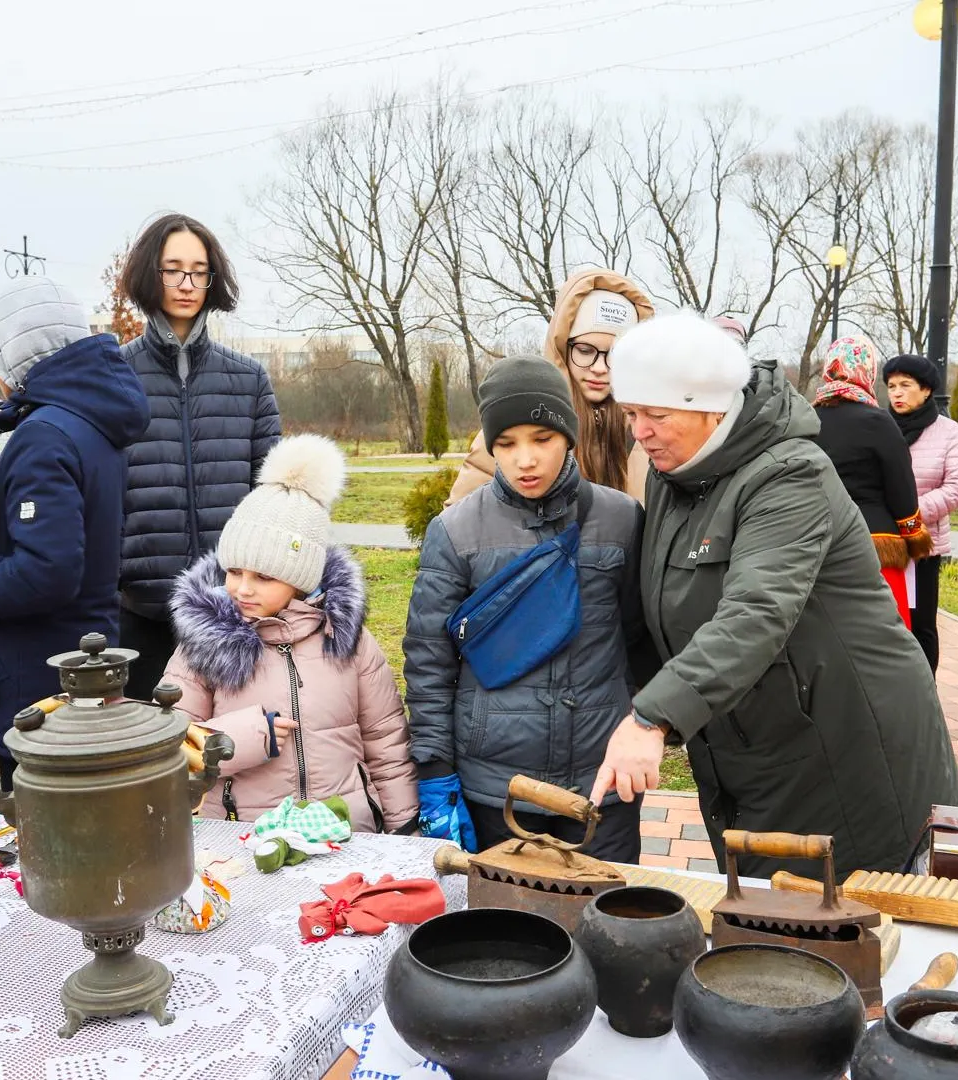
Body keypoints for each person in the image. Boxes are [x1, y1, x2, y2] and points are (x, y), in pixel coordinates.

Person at [589, 313, 958, 882]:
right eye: (631, 414)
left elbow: (757, 611)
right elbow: (659, 601)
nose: (639, 431)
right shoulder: (674, 475)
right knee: (771, 925)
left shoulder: (790, 475)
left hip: (844, 745)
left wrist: (653, 718)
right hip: (759, 747)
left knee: (849, 933)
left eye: (656, 415)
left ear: (712, 406)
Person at [405, 355, 652, 862]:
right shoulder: (455, 532)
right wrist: (434, 771)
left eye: (541, 439)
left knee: (608, 923)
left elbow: (640, 640)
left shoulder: (622, 518)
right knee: (503, 930)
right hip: (496, 786)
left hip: (600, 778)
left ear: (568, 435)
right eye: (506, 443)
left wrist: (641, 723)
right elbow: (428, 660)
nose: (525, 460)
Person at [0, 278, 150, 779]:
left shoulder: (46, 435)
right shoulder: (93, 421)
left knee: (43, 816)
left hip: (40, 671)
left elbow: (45, 572)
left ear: (17, 357)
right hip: (86, 652)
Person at [159, 435, 417, 833]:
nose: (243, 588)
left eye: (263, 576)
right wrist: (248, 736)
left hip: (346, 835)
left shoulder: (348, 641)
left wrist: (403, 829)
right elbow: (172, 749)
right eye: (234, 571)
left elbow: (386, 743)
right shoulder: (204, 643)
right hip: (243, 840)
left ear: (302, 579)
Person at [117, 213, 281, 699]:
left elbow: (272, 501)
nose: (187, 284)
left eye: (199, 270)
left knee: (230, 756)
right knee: (146, 760)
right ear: (151, 273)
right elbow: (97, 496)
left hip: (233, 614)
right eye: (172, 269)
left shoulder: (249, 382)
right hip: (139, 613)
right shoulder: (114, 379)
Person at [448, 269, 655, 505]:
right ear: (563, 347)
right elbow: (459, 525)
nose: (599, 367)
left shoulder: (650, 429)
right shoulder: (517, 417)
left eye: (615, 355)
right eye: (585, 351)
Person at [811, 335, 933, 629]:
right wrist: (915, 536)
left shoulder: (808, 419)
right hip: (876, 545)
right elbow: (901, 489)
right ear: (868, 371)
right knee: (882, 634)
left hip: (817, 541)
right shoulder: (878, 421)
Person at [885, 353, 958, 671]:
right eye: (892, 385)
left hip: (923, 546)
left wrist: (909, 513)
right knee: (886, 625)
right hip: (883, 543)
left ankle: (924, 703)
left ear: (925, 390)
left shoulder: (948, 431)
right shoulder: (880, 428)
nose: (896, 392)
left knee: (921, 627)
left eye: (905, 385)